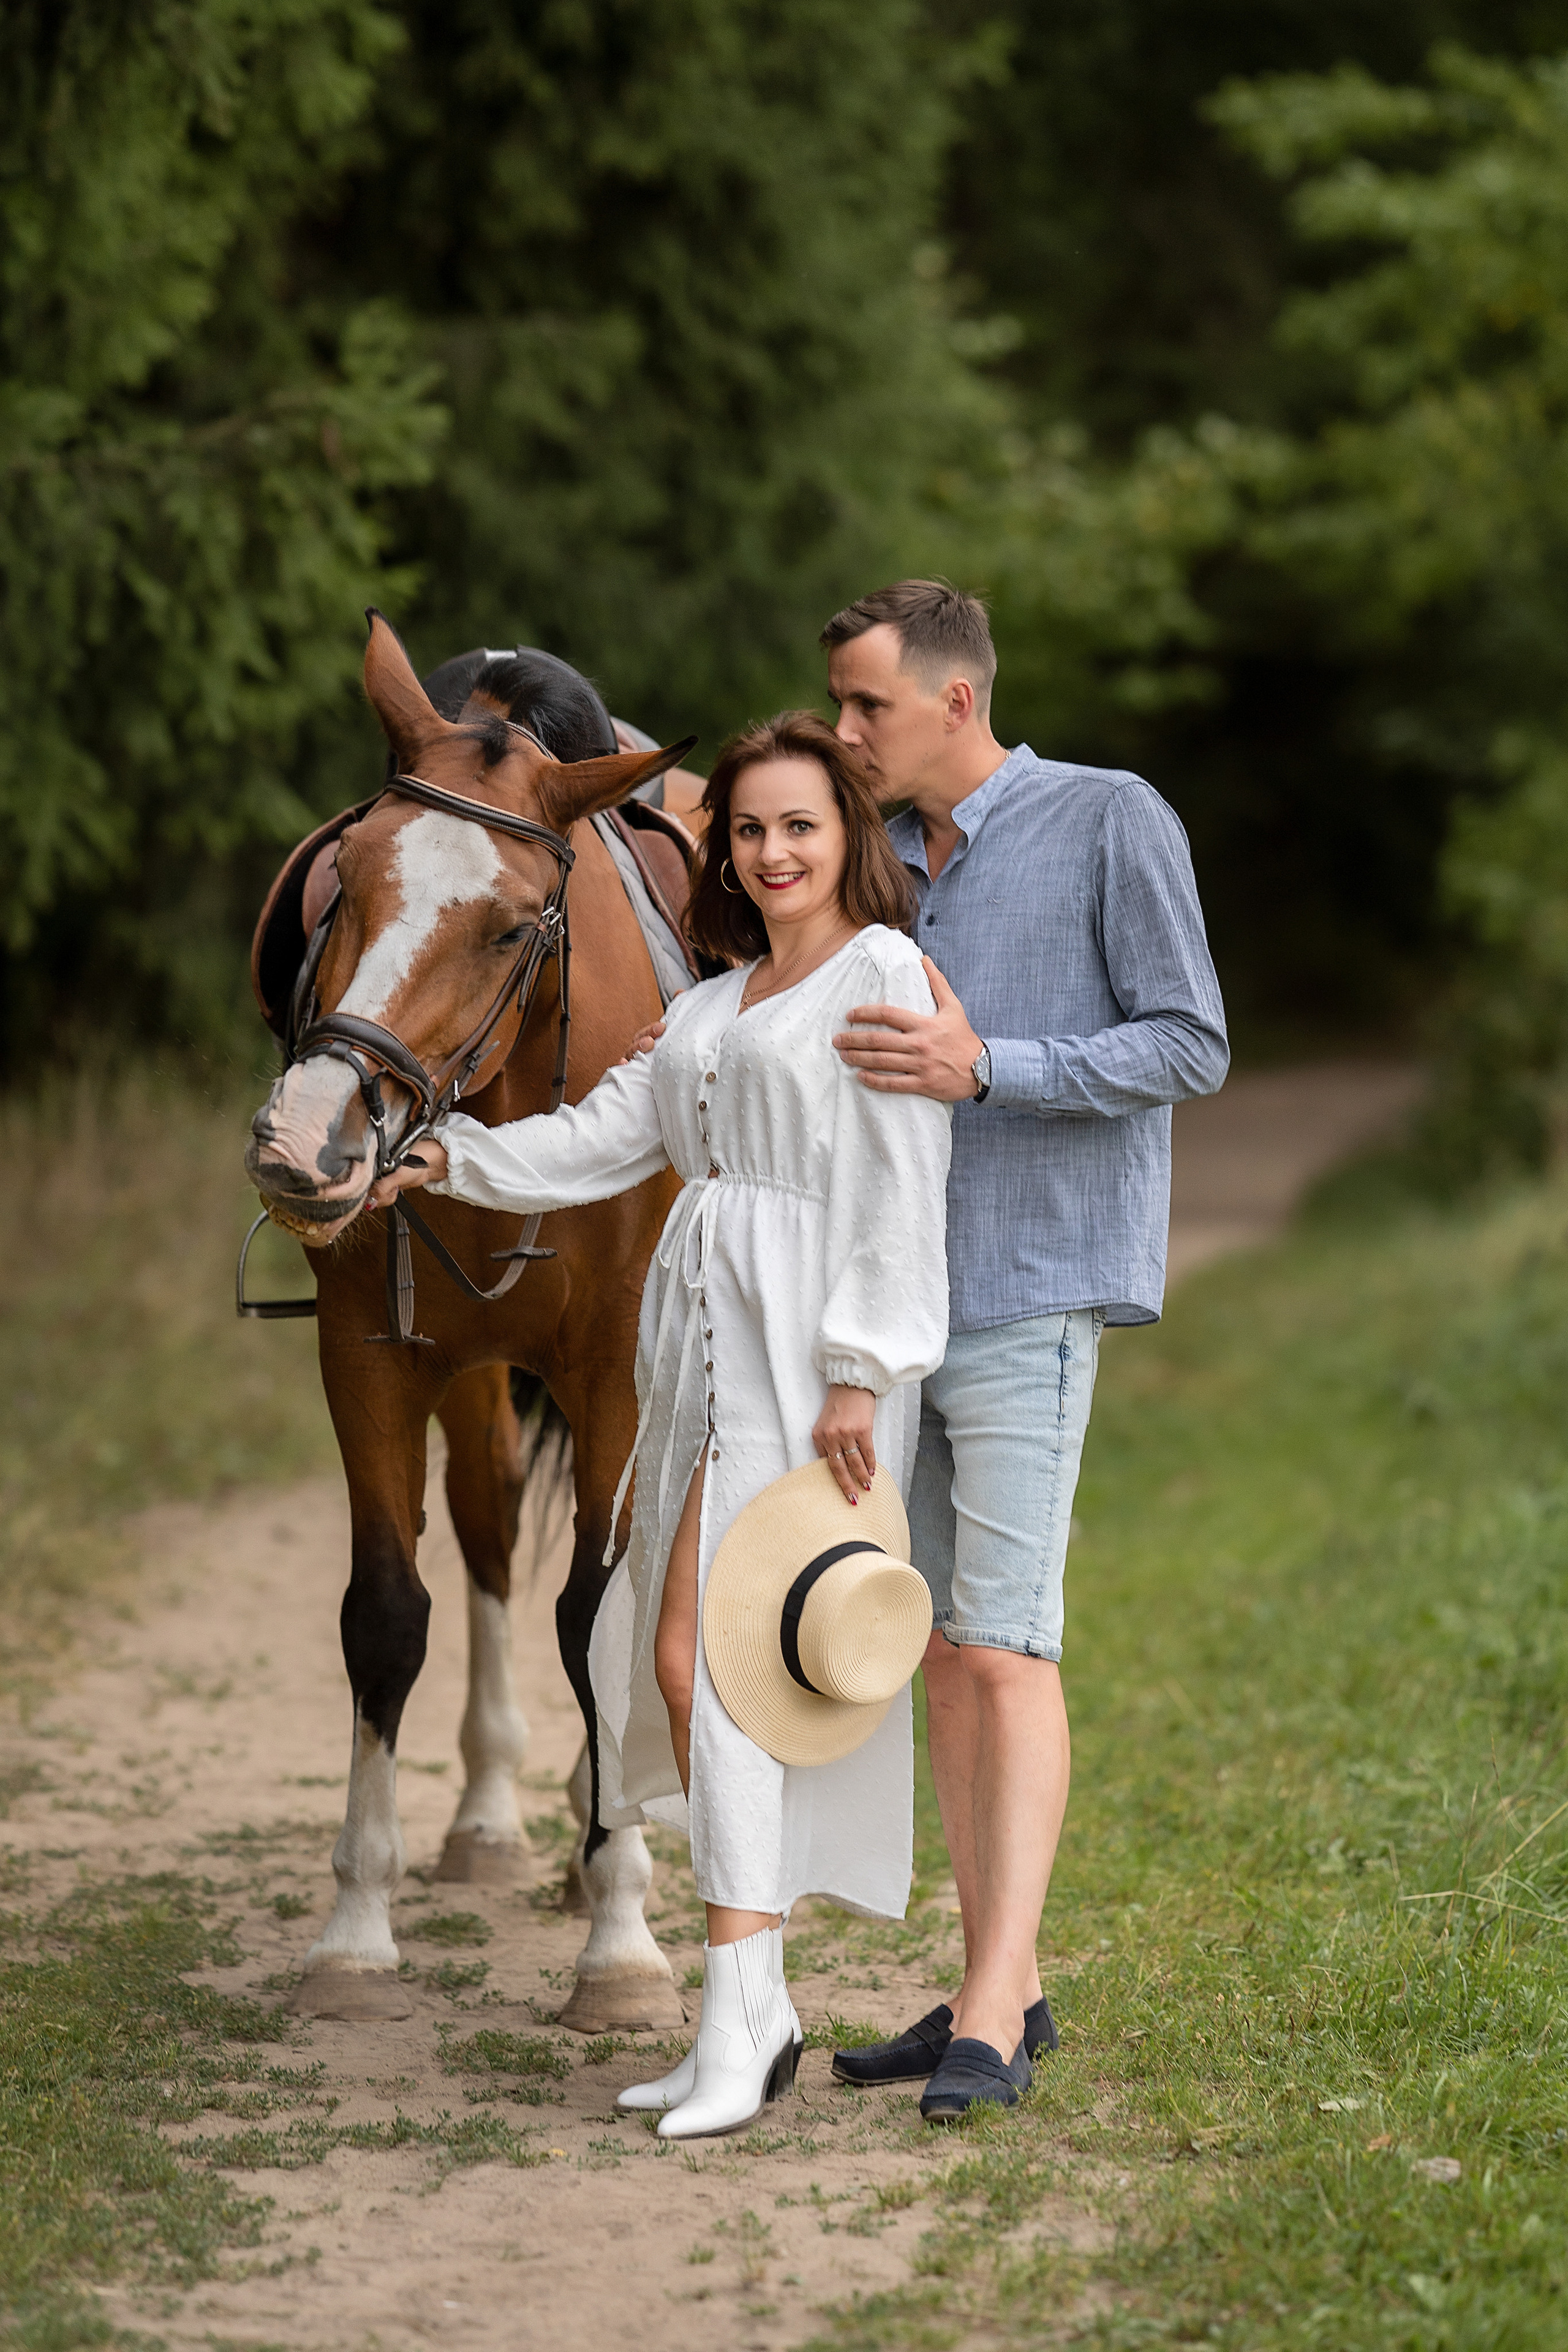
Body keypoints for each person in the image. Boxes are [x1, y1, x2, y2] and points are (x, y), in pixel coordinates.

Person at [369, 710, 951, 2140]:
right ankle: (746, 2011)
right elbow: (602, 1137)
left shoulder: (881, 974)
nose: (772, 853)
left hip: (808, 1349)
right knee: (682, 1661)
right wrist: (453, 1152)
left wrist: (859, 1372)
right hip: (705, 1348)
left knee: (719, 1666)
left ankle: (746, 2015)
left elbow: (900, 1180)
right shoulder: (710, 1006)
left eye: (800, 825)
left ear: (847, 839)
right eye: (748, 830)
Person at [820, 581, 1229, 2120]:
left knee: (1005, 1642)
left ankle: (990, 2005)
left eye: (866, 705)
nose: (848, 732)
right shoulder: (877, 865)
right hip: (896, 1310)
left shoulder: (1110, 818)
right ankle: (1006, 1979)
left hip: (1035, 1288)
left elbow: (1188, 1041)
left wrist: (987, 1067)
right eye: (842, 708)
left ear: (953, 701)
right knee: (935, 1651)